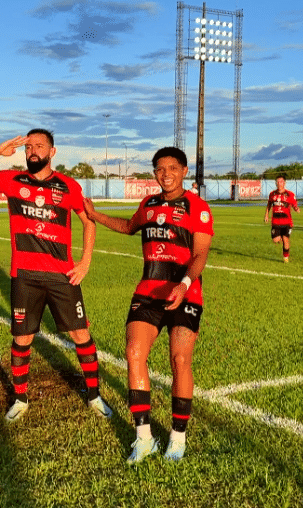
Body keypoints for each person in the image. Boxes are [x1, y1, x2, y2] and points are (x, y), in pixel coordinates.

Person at [0, 129, 112, 422]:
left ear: (52, 152)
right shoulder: (13, 181)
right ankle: (20, 398)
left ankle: (94, 395)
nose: (33, 150)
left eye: (39, 146)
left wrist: (85, 261)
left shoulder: (68, 186)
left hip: (62, 275)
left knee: (81, 334)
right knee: (22, 338)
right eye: (29, 146)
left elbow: (88, 220)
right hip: (25, 275)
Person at [83, 147, 214, 464]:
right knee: (134, 353)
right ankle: (144, 438)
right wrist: (95, 214)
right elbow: (130, 226)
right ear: (154, 173)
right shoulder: (149, 204)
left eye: (172, 167)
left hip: (185, 293)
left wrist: (183, 286)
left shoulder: (198, 208)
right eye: (159, 169)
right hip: (148, 291)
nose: (165, 173)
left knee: (180, 358)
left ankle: (177, 438)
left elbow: (200, 255)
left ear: (184, 171)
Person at [264, 176, 300, 263]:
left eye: (281, 182)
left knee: (286, 240)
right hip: (276, 221)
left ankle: (286, 258)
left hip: (287, 222)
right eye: (277, 182)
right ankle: (279, 237)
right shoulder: (272, 194)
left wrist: (296, 209)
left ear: (284, 183)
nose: (279, 183)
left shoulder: (290, 194)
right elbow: (269, 205)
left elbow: (294, 205)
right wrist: (266, 215)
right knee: (275, 240)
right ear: (276, 183)